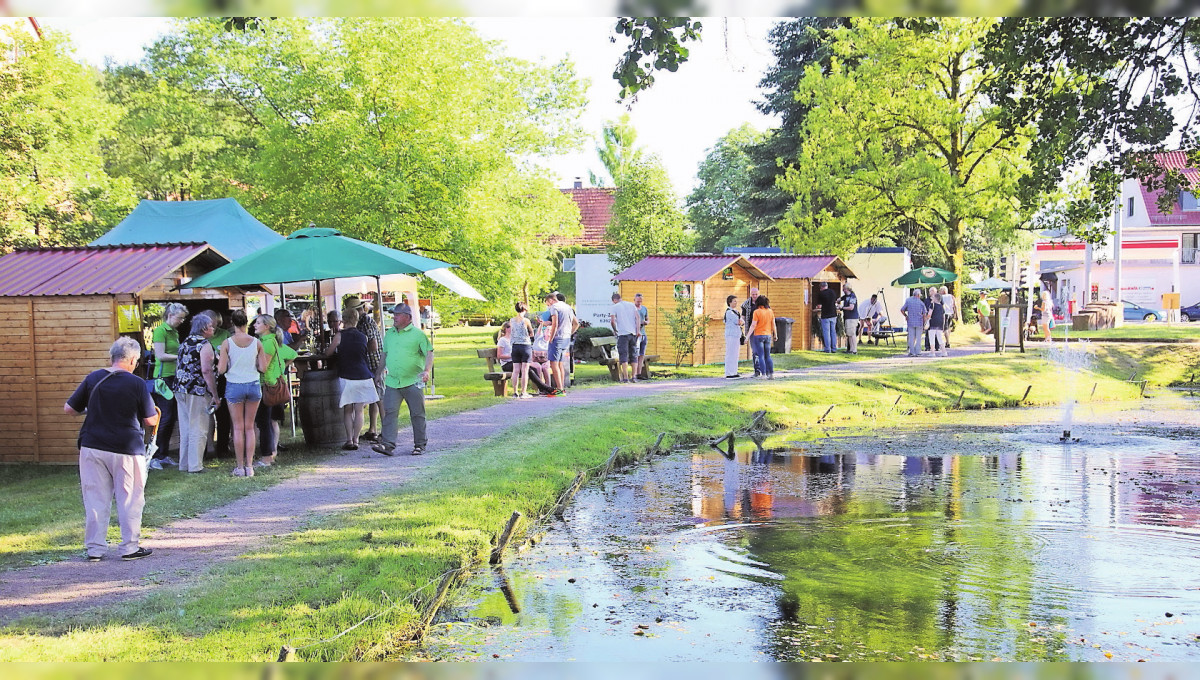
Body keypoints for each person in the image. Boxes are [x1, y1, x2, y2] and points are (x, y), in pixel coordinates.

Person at [65, 337, 160, 562]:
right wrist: (156, 414)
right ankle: (129, 547)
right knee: (130, 497)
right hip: (126, 447)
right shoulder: (137, 383)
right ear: (134, 360)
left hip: (92, 445)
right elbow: (149, 420)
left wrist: (91, 409)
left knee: (95, 498)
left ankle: (95, 549)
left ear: (112, 357)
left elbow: (70, 409)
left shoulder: (94, 377)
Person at [373, 304, 433, 456]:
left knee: (417, 413)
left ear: (407, 317)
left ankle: (420, 445)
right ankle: (387, 445)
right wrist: (378, 373)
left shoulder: (418, 334)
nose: (394, 317)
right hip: (393, 381)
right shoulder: (390, 334)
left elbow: (429, 352)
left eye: (397, 315)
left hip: (413, 380)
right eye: (394, 314)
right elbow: (385, 355)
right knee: (390, 412)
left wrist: (426, 370)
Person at [218, 309, 269, 477]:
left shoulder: (227, 343)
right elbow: (262, 368)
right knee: (250, 427)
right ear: (247, 323)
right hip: (253, 385)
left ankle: (239, 467)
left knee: (238, 428)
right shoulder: (257, 343)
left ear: (232, 323)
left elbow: (221, 369)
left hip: (234, 385)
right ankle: (250, 466)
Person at [325, 307, 379, 450]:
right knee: (359, 410)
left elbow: (328, 353)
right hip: (363, 375)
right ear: (356, 320)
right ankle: (356, 439)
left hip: (347, 375)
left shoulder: (339, 336)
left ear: (343, 320)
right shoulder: (363, 336)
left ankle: (349, 440)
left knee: (348, 409)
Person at [173, 315, 219, 473]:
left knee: (185, 427)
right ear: (205, 328)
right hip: (197, 390)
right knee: (199, 428)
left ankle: (184, 464)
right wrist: (215, 394)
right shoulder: (204, 344)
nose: (213, 329)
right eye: (212, 326)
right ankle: (195, 466)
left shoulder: (185, 342)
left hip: (180, 388)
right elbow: (206, 371)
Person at [253, 314, 297, 467]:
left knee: (263, 423)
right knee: (270, 422)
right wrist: (282, 368)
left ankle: (267, 457)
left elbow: (262, 367)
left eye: (258, 323)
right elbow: (293, 354)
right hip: (276, 384)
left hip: (268, 386)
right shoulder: (274, 341)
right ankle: (270, 454)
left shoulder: (266, 343)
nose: (254, 325)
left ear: (267, 326)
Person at [148, 302, 188, 470]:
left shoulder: (175, 332)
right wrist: (180, 355)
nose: (181, 321)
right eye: (179, 318)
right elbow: (160, 355)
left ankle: (163, 454)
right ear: (170, 316)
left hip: (174, 376)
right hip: (163, 378)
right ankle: (154, 456)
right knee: (164, 416)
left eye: (183, 318)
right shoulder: (160, 331)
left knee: (171, 417)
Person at [346, 295, 385, 441]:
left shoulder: (366, 322)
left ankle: (386, 431)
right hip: (369, 364)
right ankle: (373, 429)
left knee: (380, 398)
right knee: (374, 398)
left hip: (375, 363)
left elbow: (373, 345)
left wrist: (358, 350)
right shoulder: (362, 321)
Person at [545, 292, 577, 396]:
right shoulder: (568, 307)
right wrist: (569, 333)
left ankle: (559, 389)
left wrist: (551, 337)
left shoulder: (554, 307)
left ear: (550, 300)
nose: (548, 306)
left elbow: (555, 323)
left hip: (557, 338)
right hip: (566, 338)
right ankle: (562, 388)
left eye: (547, 304)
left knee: (553, 364)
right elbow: (576, 323)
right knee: (560, 364)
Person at [609, 292, 640, 383]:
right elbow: (638, 318)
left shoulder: (614, 307)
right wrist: (637, 330)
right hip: (633, 334)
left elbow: (612, 321)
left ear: (614, 300)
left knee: (623, 356)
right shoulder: (631, 305)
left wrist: (615, 330)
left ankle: (626, 378)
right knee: (634, 355)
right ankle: (634, 377)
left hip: (622, 334)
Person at [509, 302, 536, 398]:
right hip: (525, 346)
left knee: (515, 370)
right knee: (525, 370)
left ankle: (515, 392)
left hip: (515, 346)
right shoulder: (526, 320)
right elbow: (531, 333)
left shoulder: (511, 320)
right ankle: (523, 392)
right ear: (524, 310)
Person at [749, 296, 777, 379]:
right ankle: (771, 374)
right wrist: (775, 334)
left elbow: (753, 325)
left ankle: (763, 374)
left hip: (758, 335)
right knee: (768, 355)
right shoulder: (770, 311)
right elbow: (773, 324)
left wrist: (747, 337)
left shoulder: (756, 312)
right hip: (768, 335)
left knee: (760, 355)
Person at [901, 289, 929, 357]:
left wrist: (906, 316)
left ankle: (912, 352)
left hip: (910, 321)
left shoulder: (908, 300)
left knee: (911, 337)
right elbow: (925, 314)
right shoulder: (921, 303)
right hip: (919, 322)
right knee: (918, 338)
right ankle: (918, 352)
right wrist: (925, 323)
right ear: (918, 295)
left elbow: (902, 310)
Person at [741, 287, 762, 376]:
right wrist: (741, 322)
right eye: (753, 294)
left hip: (761, 329)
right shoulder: (746, 304)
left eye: (756, 294)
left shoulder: (762, 302)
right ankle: (757, 370)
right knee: (755, 351)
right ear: (750, 294)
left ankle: (763, 369)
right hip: (751, 329)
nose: (754, 296)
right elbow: (743, 316)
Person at [723, 294, 744, 379]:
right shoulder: (729, 312)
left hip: (736, 335)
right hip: (731, 335)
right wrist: (741, 321)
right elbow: (739, 321)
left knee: (735, 354)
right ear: (729, 302)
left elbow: (742, 321)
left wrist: (741, 321)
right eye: (734, 301)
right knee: (730, 353)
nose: (736, 303)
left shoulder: (736, 311)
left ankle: (734, 371)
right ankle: (729, 372)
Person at [816, 282, 838, 353]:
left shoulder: (821, 294)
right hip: (834, 315)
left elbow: (819, 306)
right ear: (827, 286)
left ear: (821, 287)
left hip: (825, 315)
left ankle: (828, 349)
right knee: (833, 332)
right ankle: (834, 348)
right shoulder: (833, 292)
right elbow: (835, 302)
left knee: (826, 333)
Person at [633, 293, 650, 379]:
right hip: (635, 334)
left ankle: (639, 373)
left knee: (641, 354)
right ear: (634, 300)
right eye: (638, 301)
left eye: (641, 301)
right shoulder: (632, 309)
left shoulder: (644, 309)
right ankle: (634, 373)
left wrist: (646, 322)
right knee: (636, 353)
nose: (639, 303)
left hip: (643, 333)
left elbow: (647, 319)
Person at [841, 283, 860, 354]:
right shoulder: (846, 296)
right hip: (847, 317)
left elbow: (851, 307)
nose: (843, 290)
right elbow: (839, 299)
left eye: (844, 289)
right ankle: (850, 349)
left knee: (852, 334)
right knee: (849, 334)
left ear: (847, 289)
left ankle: (854, 350)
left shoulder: (852, 296)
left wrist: (842, 308)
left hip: (852, 318)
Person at [927, 292, 948, 357]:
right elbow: (944, 316)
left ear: (935, 299)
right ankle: (944, 352)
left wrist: (927, 319)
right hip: (940, 323)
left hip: (933, 322)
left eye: (932, 297)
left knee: (932, 337)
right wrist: (943, 324)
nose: (931, 298)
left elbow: (929, 314)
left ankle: (932, 352)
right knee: (940, 338)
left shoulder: (932, 305)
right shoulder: (941, 307)